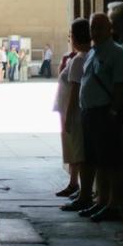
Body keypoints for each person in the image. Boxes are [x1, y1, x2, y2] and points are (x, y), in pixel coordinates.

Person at [77, 12, 123, 222]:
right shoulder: (92, 52)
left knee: (110, 160)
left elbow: (121, 84)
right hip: (89, 112)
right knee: (95, 159)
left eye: (99, 27)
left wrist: (113, 110)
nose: (95, 32)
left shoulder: (117, 53)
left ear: (111, 29)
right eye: (92, 28)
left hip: (105, 112)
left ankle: (113, 203)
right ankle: (100, 200)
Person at [54, 18, 90, 203]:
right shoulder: (79, 57)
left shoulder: (79, 59)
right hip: (70, 110)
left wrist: (68, 115)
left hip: (72, 111)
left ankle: (81, 189)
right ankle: (75, 184)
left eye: (71, 35)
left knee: (77, 150)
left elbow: (75, 89)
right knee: (75, 149)